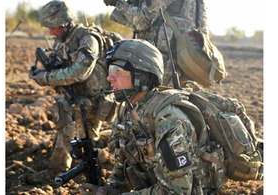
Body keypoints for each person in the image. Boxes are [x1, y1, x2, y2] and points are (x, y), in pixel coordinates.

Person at [81, 39, 223, 194]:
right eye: (110, 71)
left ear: (140, 76)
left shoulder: (169, 119)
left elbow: (177, 191)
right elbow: (121, 170)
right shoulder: (128, 111)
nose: (110, 78)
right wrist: (108, 190)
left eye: (118, 72)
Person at [29, 0, 122, 175]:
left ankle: (59, 170)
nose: (50, 32)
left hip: (95, 101)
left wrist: (46, 78)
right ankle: (61, 165)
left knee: (88, 140)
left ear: (65, 23)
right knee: (65, 115)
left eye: (53, 27)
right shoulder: (63, 39)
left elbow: (80, 72)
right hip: (78, 98)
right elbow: (62, 67)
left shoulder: (88, 39)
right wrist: (40, 72)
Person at [103, 0, 226, 87]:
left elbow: (142, 20)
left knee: (151, 110)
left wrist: (116, 2)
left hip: (165, 64)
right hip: (184, 64)